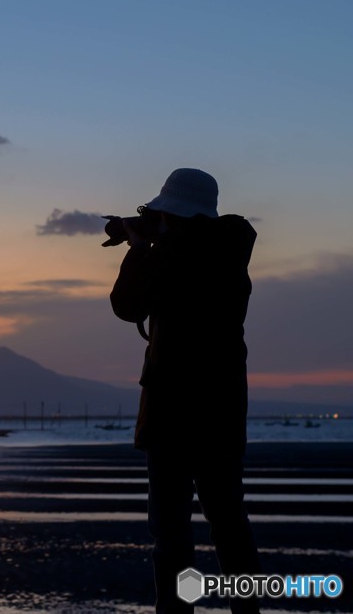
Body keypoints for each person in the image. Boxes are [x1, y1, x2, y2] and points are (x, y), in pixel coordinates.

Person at [110, 168, 261, 614]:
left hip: (172, 413)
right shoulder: (230, 255)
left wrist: (139, 247)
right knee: (230, 525)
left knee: (172, 534)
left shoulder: (170, 257)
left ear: (172, 213)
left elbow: (127, 306)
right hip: (222, 411)